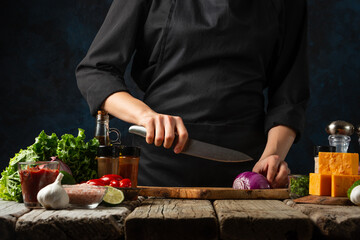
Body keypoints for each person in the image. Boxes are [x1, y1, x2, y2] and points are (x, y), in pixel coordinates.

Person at [76, 0, 309, 188]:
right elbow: (96, 71)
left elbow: (290, 95)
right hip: (160, 169)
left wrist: (272, 156)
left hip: (245, 170)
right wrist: (145, 116)